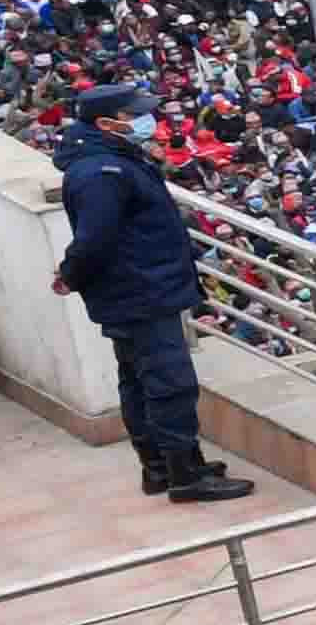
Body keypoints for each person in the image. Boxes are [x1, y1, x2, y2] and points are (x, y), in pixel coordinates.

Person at [52, 82, 250, 502]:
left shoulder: (109, 160)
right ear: (107, 123)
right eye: (133, 114)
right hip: (140, 292)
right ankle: (183, 475)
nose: (146, 121)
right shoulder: (101, 172)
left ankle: (163, 466)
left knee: (141, 380)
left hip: (138, 288)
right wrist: (71, 272)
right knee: (168, 383)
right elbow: (95, 238)